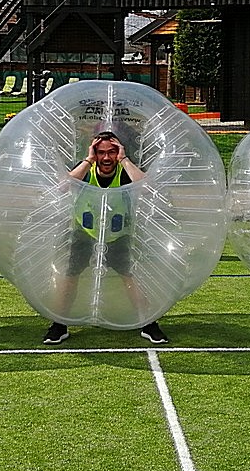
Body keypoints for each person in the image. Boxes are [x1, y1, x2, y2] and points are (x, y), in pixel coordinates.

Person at [44, 130, 166, 345]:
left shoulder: (124, 170)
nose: (107, 158)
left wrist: (125, 159)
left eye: (112, 152)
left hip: (117, 236)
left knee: (131, 277)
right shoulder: (86, 169)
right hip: (85, 233)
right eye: (101, 152)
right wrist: (88, 159)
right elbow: (63, 187)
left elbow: (148, 188)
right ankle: (59, 324)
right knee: (70, 277)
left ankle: (149, 323)